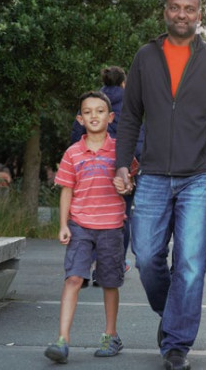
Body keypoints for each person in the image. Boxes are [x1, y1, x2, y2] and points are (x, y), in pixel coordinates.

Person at [113, 0, 206, 370]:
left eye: (189, 8)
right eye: (175, 7)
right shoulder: (145, 57)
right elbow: (131, 115)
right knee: (146, 256)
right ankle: (173, 317)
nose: (181, 14)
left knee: (190, 264)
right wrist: (122, 163)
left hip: (200, 175)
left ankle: (175, 345)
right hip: (151, 173)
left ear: (200, 15)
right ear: (165, 11)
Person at [45, 91, 131, 364]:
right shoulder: (72, 153)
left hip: (111, 226)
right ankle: (62, 340)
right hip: (80, 224)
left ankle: (110, 335)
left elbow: (131, 183)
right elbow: (67, 191)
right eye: (88, 112)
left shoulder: (120, 151)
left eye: (100, 111)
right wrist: (63, 225)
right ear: (80, 119)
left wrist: (127, 185)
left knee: (108, 282)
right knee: (73, 278)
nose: (94, 116)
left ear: (111, 116)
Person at [70, 66, 143, 284]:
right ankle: (111, 267)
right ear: (123, 83)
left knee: (87, 216)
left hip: (90, 168)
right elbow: (139, 138)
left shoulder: (92, 104)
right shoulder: (132, 104)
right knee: (121, 216)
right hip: (122, 167)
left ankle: (83, 266)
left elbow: (76, 136)